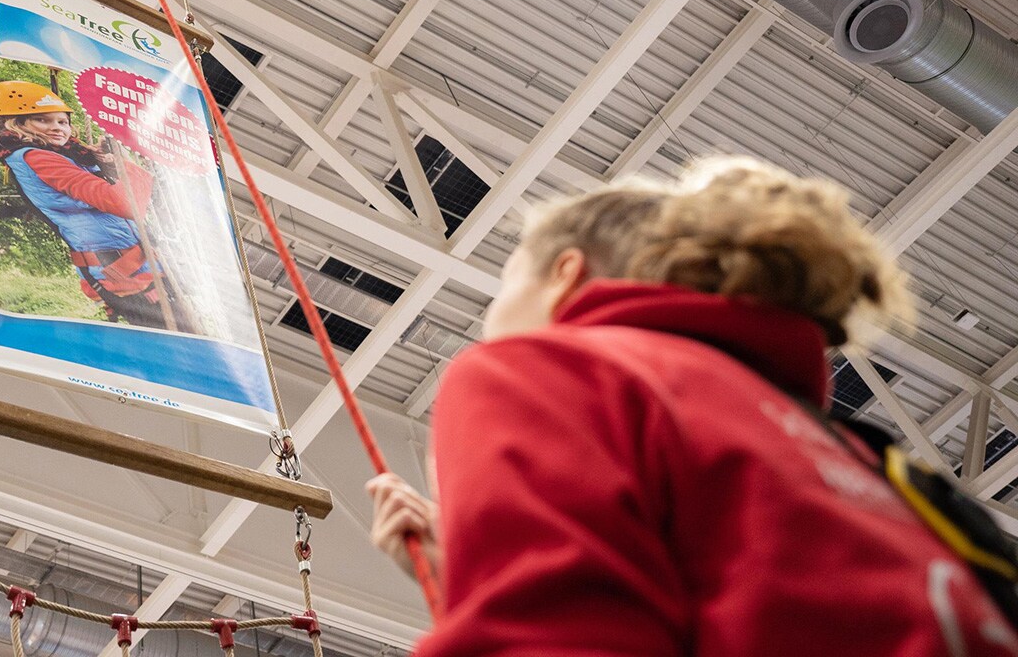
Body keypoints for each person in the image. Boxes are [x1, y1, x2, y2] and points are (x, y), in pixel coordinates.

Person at [367, 156, 1018, 656]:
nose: (493, 321)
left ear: (566, 273)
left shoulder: (550, 369)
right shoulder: (853, 452)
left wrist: (501, 600)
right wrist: (480, 576)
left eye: (506, 285)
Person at [0, 81, 177, 330]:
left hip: (135, 269)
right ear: (17, 124)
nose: (57, 128)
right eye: (42, 120)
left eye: (62, 122)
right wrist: (125, 164)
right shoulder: (38, 157)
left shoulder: (65, 156)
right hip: (125, 276)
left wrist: (107, 162)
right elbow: (125, 204)